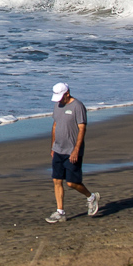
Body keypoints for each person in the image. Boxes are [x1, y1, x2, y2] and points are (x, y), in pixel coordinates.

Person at [46, 82, 99, 223]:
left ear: (67, 93)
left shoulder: (78, 106)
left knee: (72, 183)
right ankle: (60, 212)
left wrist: (76, 150)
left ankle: (91, 197)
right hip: (58, 149)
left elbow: (82, 128)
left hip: (72, 151)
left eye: (60, 97)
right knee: (56, 180)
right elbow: (55, 125)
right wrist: (53, 146)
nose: (58, 100)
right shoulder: (57, 105)